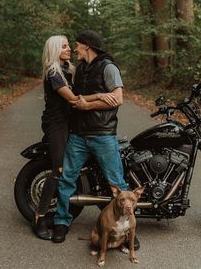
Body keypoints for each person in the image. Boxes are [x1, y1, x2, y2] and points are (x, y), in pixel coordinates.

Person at [33, 35, 119, 240]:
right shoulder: (54, 72)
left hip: (71, 123)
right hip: (57, 124)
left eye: (70, 45)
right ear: (54, 50)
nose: (69, 48)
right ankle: (39, 216)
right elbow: (72, 99)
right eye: (64, 46)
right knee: (59, 170)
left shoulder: (70, 69)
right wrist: (100, 95)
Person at [52, 30, 132, 244]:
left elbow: (118, 98)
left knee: (117, 183)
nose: (74, 49)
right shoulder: (79, 69)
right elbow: (75, 97)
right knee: (67, 179)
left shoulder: (109, 68)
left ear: (87, 46)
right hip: (78, 135)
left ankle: (127, 230)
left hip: (103, 135)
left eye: (76, 45)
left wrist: (88, 105)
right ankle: (61, 221)